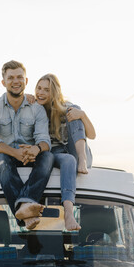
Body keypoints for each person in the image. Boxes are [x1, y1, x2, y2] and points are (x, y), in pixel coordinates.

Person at [0, 61, 54, 230]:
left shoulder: (36, 108)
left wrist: (36, 149)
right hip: (2, 158)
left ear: (26, 81)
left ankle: (24, 206)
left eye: (19, 77)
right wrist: (14, 153)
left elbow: (45, 140)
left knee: (48, 156)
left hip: (30, 156)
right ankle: (26, 210)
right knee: (1, 158)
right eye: (11, 78)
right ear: (3, 82)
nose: (16, 81)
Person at [34, 74, 96, 231]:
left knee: (74, 111)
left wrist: (82, 115)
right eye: (39, 88)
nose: (40, 93)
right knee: (69, 161)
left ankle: (82, 159)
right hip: (53, 154)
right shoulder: (34, 108)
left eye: (46, 90)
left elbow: (92, 135)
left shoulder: (67, 107)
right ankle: (68, 213)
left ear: (54, 93)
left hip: (75, 151)